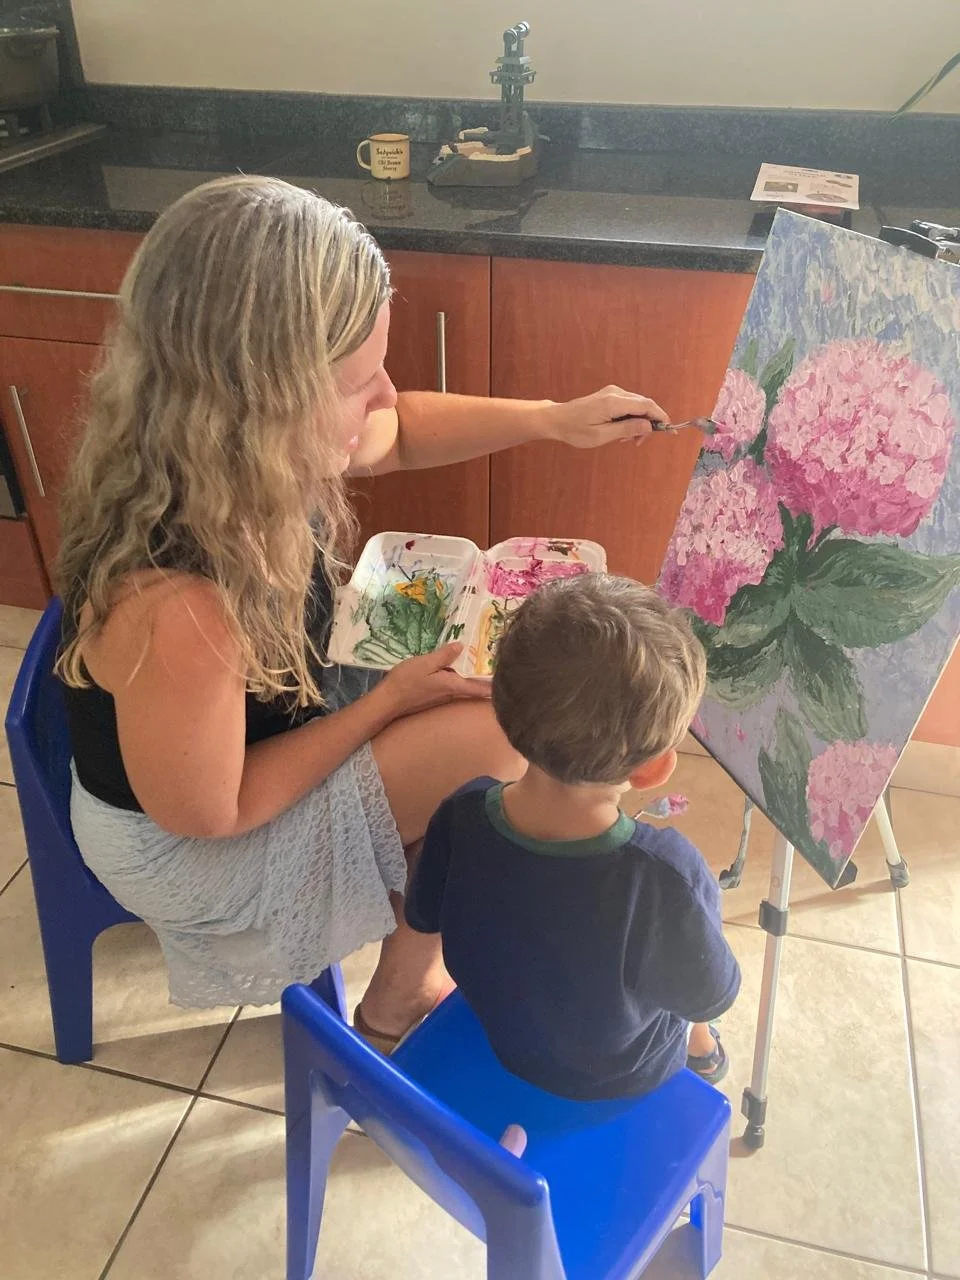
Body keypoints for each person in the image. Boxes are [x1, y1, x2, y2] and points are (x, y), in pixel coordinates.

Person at [56, 174, 671, 1048]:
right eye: (357, 380)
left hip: (233, 739)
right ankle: (401, 992)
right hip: (190, 844)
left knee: (487, 694)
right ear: (257, 399)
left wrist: (553, 420)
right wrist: (386, 706)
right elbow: (211, 812)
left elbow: (404, 431)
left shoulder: (215, 450)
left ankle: (415, 934)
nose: (384, 393)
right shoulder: (180, 604)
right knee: (505, 735)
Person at [405, 574, 741, 1099]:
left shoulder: (461, 811)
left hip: (504, 1035)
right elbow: (713, 992)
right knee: (683, 994)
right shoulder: (665, 873)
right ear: (655, 770)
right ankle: (700, 1049)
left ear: (505, 716)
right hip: (619, 1073)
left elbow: (422, 914)